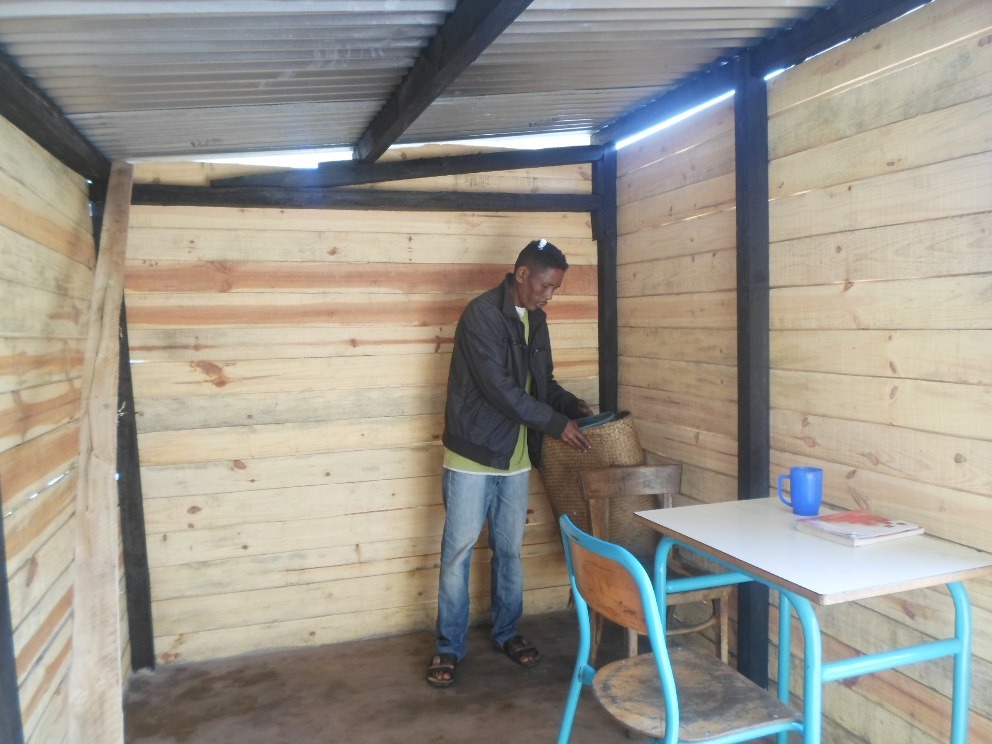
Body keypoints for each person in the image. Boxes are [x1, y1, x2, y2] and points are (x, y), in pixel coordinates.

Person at [426, 239, 594, 688]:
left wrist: (570, 407)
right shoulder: (481, 315)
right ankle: (449, 645)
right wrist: (554, 423)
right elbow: (499, 389)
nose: (548, 296)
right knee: (458, 553)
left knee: (509, 552)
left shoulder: (536, 321)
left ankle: (506, 631)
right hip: (473, 455)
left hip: (516, 458)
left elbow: (542, 383)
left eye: (555, 289)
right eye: (545, 285)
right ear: (522, 274)